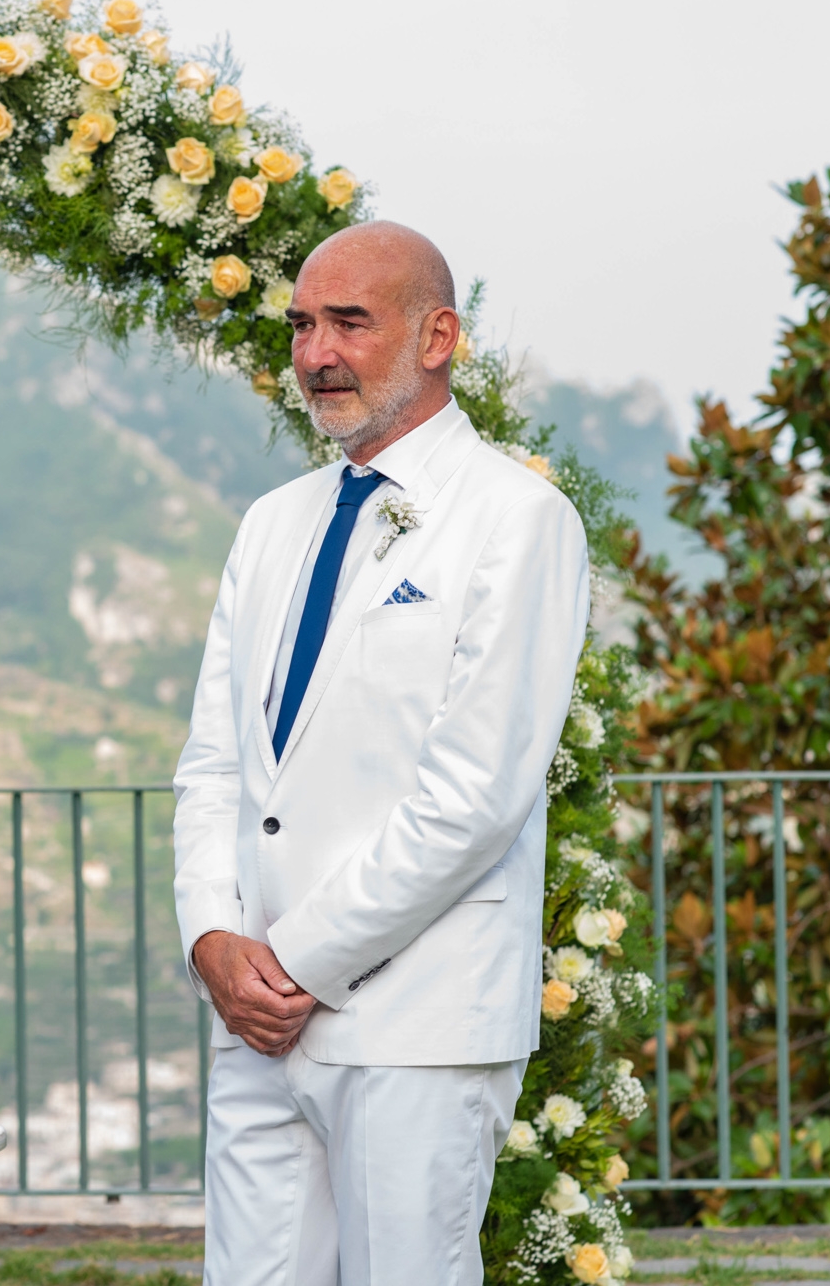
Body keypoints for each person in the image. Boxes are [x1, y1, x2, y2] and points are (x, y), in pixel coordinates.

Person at [173, 222, 590, 1285]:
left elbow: (474, 797)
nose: (315, 353)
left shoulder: (516, 520)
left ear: (436, 334)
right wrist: (213, 938)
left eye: (348, 323)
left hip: (416, 1015)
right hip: (254, 1016)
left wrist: (297, 960)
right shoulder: (270, 523)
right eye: (303, 325)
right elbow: (214, 763)